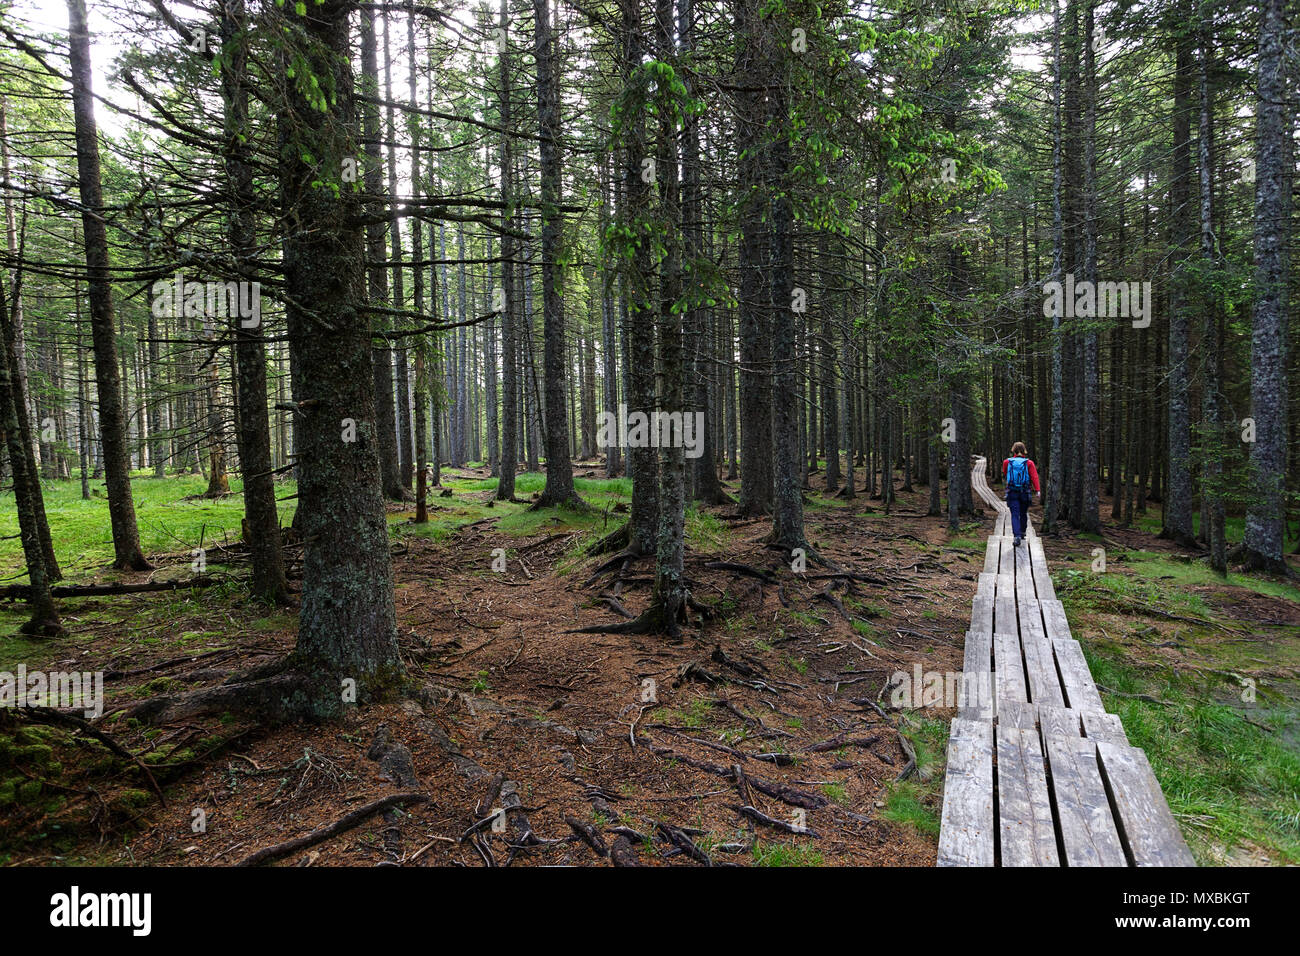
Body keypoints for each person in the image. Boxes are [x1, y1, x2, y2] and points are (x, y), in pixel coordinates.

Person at [1002, 441, 1040, 547]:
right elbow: (1034, 476)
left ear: (1013, 450)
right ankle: (1023, 532)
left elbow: (1005, 473)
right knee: (1023, 513)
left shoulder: (1007, 462)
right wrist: (1038, 490)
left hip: (1012, 491)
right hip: (1025, 491)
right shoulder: (1029, 463)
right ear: (1024, 451)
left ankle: (1016, 536)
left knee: (1014, 514)